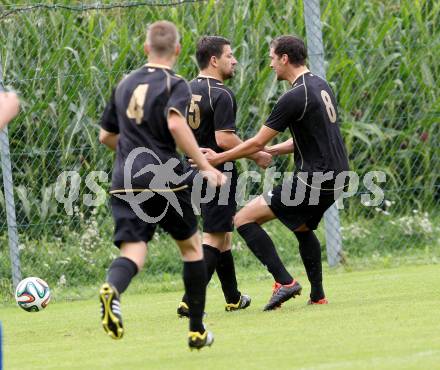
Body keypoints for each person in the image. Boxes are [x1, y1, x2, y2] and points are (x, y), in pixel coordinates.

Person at [98, 20, 225, 350]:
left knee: (134, 249)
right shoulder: (175, 83)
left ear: (145, 48)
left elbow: (105, 136)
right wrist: (205, 163)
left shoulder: (125, 83)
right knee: (192, 247)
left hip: (124, 177)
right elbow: (174, 121)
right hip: (163, 178)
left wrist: (132, 154)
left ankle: (113, 288)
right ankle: (196, 330)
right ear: (178, 50)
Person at [199, 35, 349, 310]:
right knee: (303, 227)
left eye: (271, 58)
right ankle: (318, 296)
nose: (270, 65)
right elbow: (306, 140)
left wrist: (218, 157)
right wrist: (273, 152)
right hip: (339, 176)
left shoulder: (294, 96)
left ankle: (285, 282)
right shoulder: (320, 85)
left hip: (313, 178)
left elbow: (256, 142)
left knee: (243, 218)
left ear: (284, 58)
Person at [176, 36, 272, 317]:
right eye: (230, 55)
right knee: (214, 239)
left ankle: (232, 297)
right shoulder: (221, 93)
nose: (235, 60)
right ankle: (190, 300)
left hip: (191, 170)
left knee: (223, 235)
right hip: (216, 173)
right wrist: (256, 154)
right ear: (214, 60)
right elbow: (225, 138)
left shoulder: (184, 90)